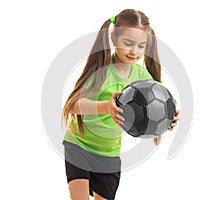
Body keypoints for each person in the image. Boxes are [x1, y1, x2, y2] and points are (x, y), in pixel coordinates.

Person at [62, 9, 180, 200]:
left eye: (141, 46)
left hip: (108, 153)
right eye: (128, 43)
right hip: (79, 145)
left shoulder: (143, 78)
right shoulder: (101, 69)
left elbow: (156, 108)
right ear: (114, 39)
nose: (135, 51)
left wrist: (168, 119)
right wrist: (105, 107)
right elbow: (73, 105)